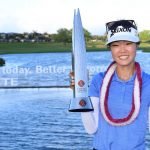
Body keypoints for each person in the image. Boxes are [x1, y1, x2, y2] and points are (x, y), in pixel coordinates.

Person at [80, 20, 150, 150]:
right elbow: (91, 129)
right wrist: (80, 94)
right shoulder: (98, 80)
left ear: (137, 45)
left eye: (128, 43)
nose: (122, 50)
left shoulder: (148, 83)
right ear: (110, 48)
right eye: (116, 45)